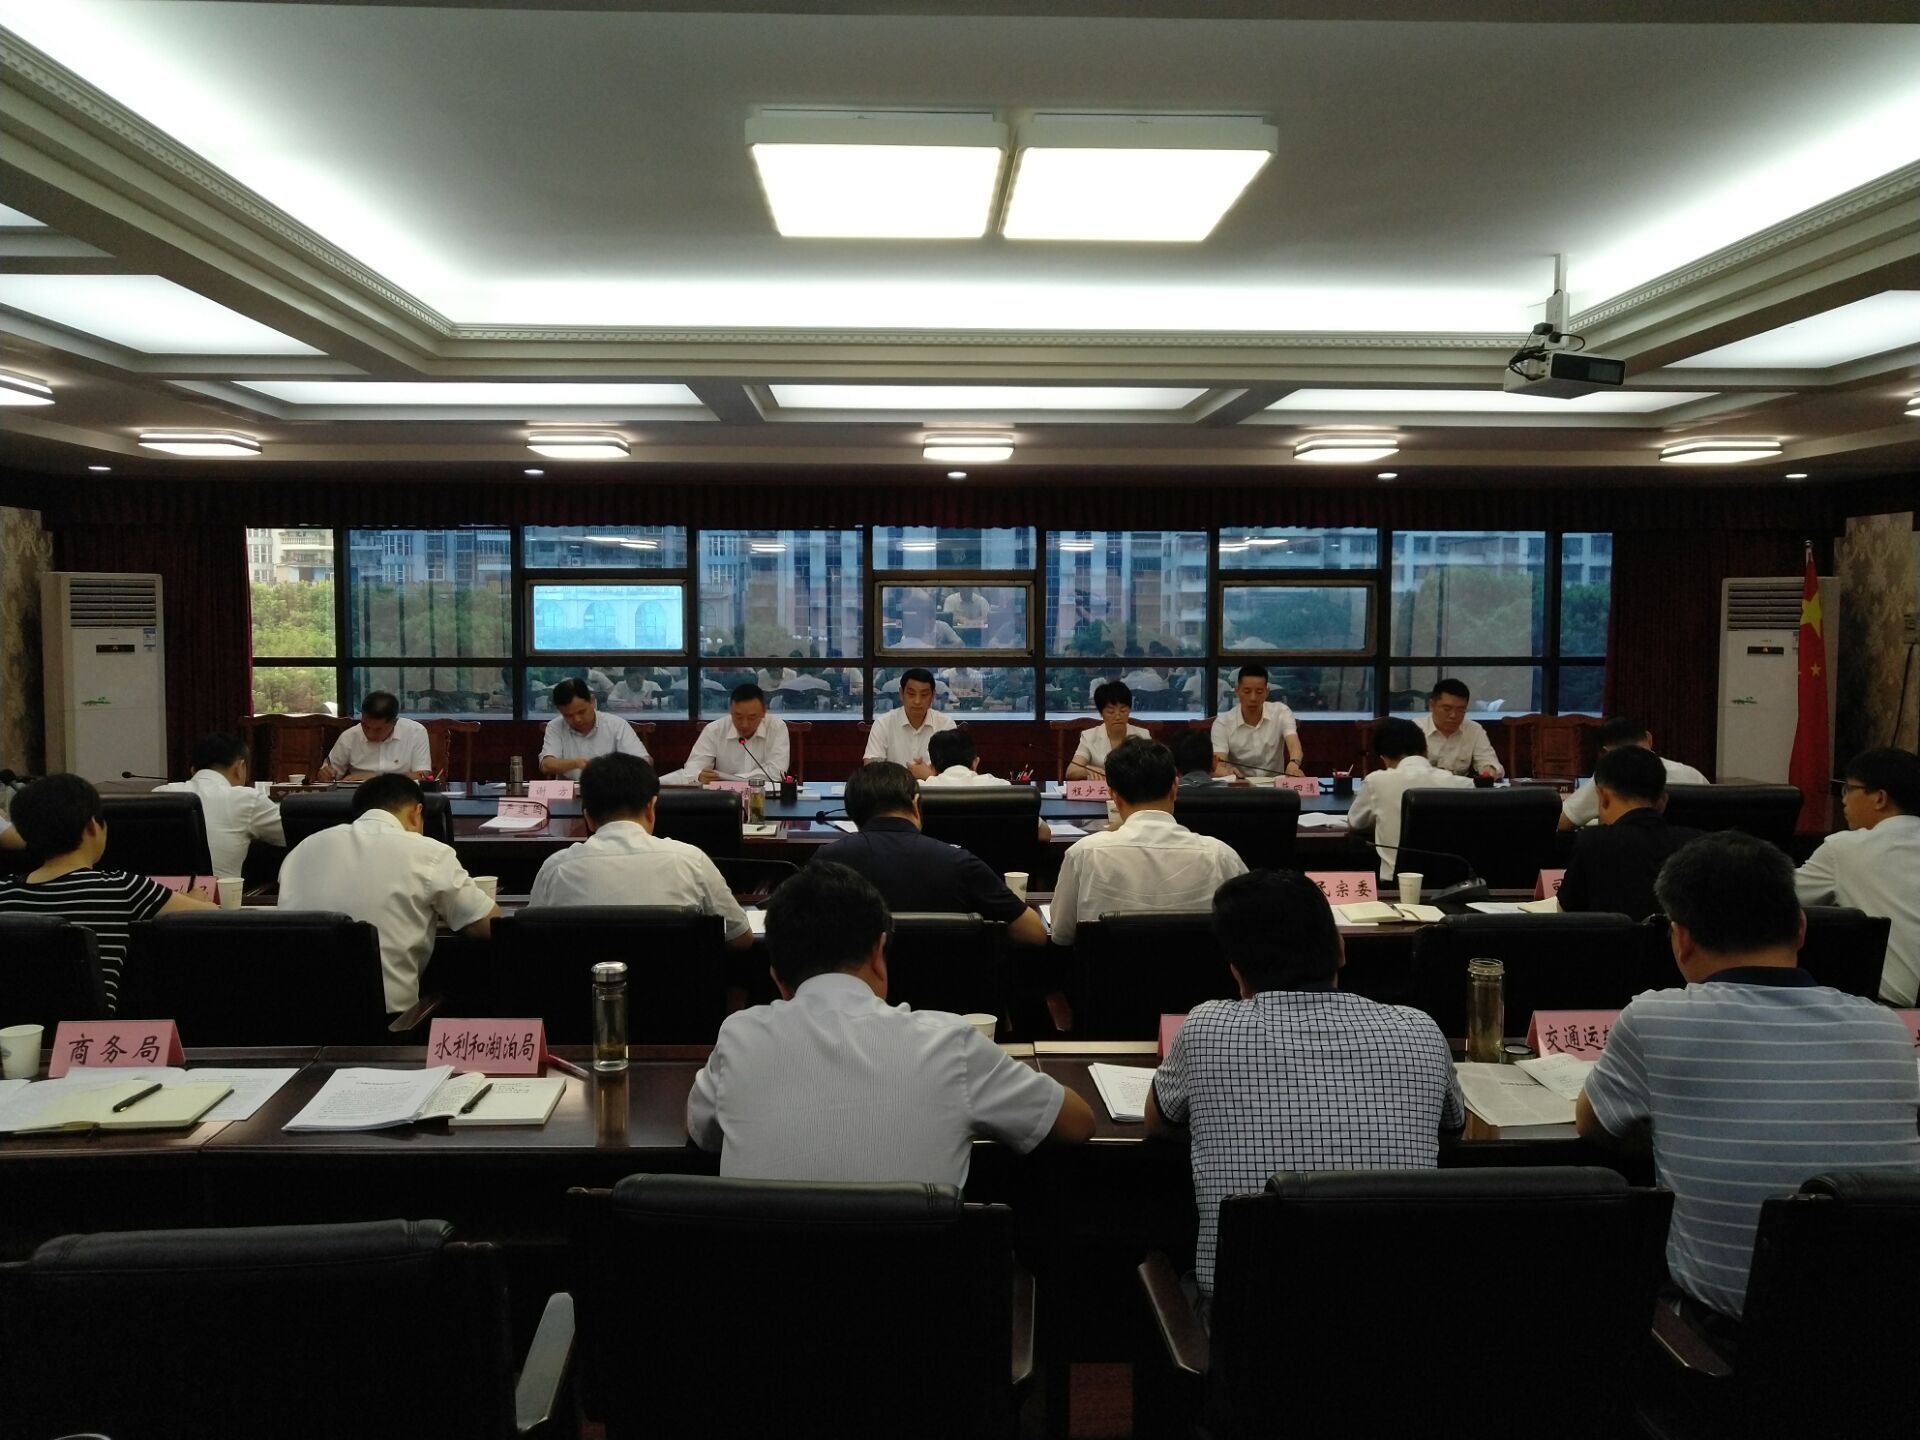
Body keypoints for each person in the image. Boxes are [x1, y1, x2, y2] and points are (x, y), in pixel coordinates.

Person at [1576, 831, 1920, 1326]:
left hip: (1717, 1343)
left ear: (1682, 938)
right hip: (1886, 1332)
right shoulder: (1886, 1028)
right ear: (1801, 927)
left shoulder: (1656, 1019)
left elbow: (1593, 1125)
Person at [1148, 869, 1463, 1316]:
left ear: (1237, 972)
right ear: (1341, 948)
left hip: (1250, 1329)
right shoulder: (1420, 1029)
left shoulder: (1206, 1028)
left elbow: (1158, 1122)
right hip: (1398, 1320)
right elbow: (1451, 1130)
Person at [686, 860, 1094, 1181]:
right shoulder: (949, 1043)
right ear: (879, 952)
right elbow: (1076, 1124)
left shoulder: (739, 1036)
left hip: (764, 1267)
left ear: (777, 978)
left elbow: (702, 1133)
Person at [277, 773, 499, 1016]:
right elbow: (489, 925)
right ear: (416, 813)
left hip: (296, 1016)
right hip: (390, 1023)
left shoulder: (301, 850)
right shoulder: (429, 853)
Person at [0, 773, 215, 1011]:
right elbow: (212, 919)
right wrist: (197, 899)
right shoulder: (123, 887)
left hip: (16, 1031)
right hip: (92, 1031)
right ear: (93, 826)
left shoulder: (5, 892)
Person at [527, 754, 751, 948]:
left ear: (588, 818)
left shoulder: (556, 869)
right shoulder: (691, 861)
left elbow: (531, 939)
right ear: (651, 808)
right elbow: (741, 937)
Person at [816, 761, 1047, 948]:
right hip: (950, 991)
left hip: (857, 991)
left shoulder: (827, 862)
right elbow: (1034, 933)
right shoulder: (960, 862)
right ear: (916, 804)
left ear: (852, 814)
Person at [1049, 738, 1247, 948]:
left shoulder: (1084, 853)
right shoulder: (1221, 856)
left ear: (1113, 796)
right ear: (1174, 788)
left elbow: (1062, 935)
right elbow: (1249, 930)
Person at [1794, 746, 1920, 1005]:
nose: (1843, 800)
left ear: (1880, 798)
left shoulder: (1846, 848)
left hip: (1891, 1011)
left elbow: (1773, 896)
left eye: (1849, 789)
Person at [1558, 745, 1702, 918]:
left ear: (1603, 797)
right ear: (1663, 801)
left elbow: (1566, 912)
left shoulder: (1591, 842)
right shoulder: (1696, 844)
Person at [1343, 717, 1474, 880]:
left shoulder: (1376, 781)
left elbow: (1356, 824)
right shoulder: (1463, 784)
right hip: (1451, 883)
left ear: (1384, 758)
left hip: (1396, 885)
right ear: (1425, 751)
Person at [156, 732, 285, 878]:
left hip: (162, 892)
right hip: (220, 893)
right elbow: (293, 834)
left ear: (193, 770)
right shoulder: (247, 799)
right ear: (239, 767)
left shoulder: (160, 794)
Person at [1559, 716, 1708, 830]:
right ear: (1649, 738)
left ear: (1605, 752)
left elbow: (1562, 821)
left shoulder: (1610, 777)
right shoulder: (1692, 775)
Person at [537, 676, 650, 776]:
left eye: (581, 712)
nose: (577, 719)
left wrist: (613, 768)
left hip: (612, 788)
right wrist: (575, 763)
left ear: (592, 701)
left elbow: (644, 761)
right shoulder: (555, 726)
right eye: (568, 715)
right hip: (571, 789)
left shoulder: (617, 725)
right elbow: (546, 765)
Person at [684, 683, 791, 783]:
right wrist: (699, 776)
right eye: (738, 717)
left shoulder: (776, 728)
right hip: (726, 794)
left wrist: (732, 779)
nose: (744, 724)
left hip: (766, 794)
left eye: (751, 717)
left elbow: (777, 772)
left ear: (764, 712)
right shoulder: (714, 730)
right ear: (731, 710)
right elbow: (692, 769)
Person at [314, 691, 433, 782]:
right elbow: (329, 774)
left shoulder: (415, 732)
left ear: (394, 722)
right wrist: (325, 775)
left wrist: (374, 778)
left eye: (377, 729)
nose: (369, 733)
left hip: (402, 796)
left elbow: (422, 775)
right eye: (365, 726)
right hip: (359, 797)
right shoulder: (349, 736)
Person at [1210, 664, 1303, 778]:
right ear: (1237, 691)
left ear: (1267, 692)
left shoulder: (1281, 712)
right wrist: (1226, 772)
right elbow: (1219, 764)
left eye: (1259, 692)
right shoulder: (1222, 723)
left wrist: (1294, 763)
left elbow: (1293, 743)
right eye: (1247, 691)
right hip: (1239, 785)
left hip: (1274, 785)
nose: (1253, 698)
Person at [863, 667, 956, 780]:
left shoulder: (946, 725)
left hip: (935, 790)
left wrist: (930, 777)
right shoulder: (883, 724)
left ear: (932, 696)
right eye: (911, 694)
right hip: (894, 790)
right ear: (901, 694)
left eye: (924, 695)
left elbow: (955, 774)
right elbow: (871, 771)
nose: (917, 701)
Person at [1417, 678, 1503, 779]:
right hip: (1422, 786)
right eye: (1447, 709)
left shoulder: (1474, 730)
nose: (1453, 715)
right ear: (1432, 705)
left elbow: (1490, 762)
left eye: (1460, 710)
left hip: (1459, 787)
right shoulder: (1415, 729)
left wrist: (1489, 770)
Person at [1066, 680, 1152, 779]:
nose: (1118, 716)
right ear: (1101, 713)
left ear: (1129, 710)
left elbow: (1152, 769)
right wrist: (1086, 770)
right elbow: (1071, 771)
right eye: (1111, 712)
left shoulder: (1143, 735)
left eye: (1123, 710)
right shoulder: (1089, 736)